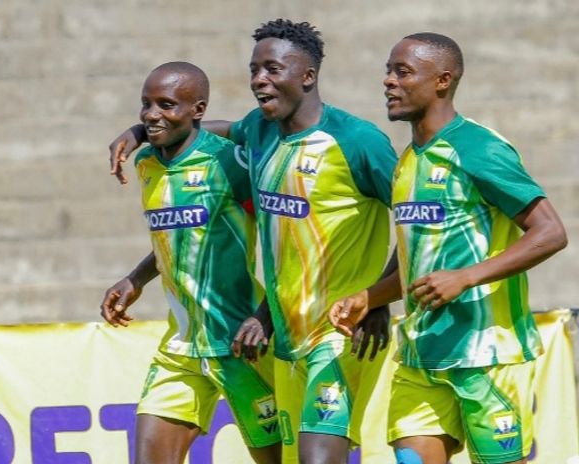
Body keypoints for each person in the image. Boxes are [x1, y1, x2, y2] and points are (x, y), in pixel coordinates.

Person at [108, 19, 398, 464]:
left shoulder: (357, 141)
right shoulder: (258, 133)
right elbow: (208, 133)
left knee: (317, 458)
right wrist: (141, 130)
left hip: (340, 329)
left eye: (273, 69)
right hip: (278, 334)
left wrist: (379, 298)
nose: (259, 80)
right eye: (254, 70)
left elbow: (416, 222)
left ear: (307, 76)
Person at [328, 33, 568, 464]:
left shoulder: (478, 147)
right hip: (421, 355)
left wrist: (467, 277)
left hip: (488, 356)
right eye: (388, 70)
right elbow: (420, 263)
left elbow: (550, 232)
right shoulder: (408, 161)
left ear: (442, 80)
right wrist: (368, 298)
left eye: (402, 72)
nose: (388, 81)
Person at [99, 61, 281, 464]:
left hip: (241, 343)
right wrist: (136, 279)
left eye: (166, 104)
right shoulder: (147, 164)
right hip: (181, 346)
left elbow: (283, 239)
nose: (150, 115)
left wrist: (266, 316)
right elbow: (180, 235)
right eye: (145, 104)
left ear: (197, 110)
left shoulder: (230, 163)